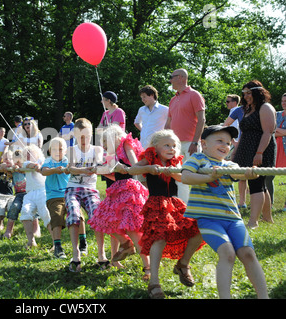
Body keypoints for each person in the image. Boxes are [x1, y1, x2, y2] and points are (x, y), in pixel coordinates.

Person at [181, 125, 268, 299]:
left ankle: (264, 296)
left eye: (228, 143)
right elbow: (186, 176)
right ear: (204, 144)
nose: (225, 145)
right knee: (227, 253)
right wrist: (208, 177)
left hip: (233, 219)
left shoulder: (230, 164)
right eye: (220, 141)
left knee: (248, 253)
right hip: (209, 219)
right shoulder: (198, 159)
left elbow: (241, 174)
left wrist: (250, 174)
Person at [127, 129, 205, 299]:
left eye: (174, 145)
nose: (171, 148)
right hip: (156, 205)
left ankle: (183, 264)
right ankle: (154, 281)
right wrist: (148, 168)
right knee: (160, 237)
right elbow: (132, 169)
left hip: (174, 203)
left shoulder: (175, 162)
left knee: (199, 228)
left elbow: (182, 178)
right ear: (155, 147)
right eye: (166, 145)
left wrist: (173, 171)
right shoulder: (149, 158)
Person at [88, 125, 150, 274]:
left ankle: (148, 267)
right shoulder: (111, 154)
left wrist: (123, 168)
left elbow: (134, 166)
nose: (103, 144)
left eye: (105, 140)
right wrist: (108, 169)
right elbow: (113, 173)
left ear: (115, 137)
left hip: (129, 189)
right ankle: (125, 242)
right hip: (116, 190)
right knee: (100, 220)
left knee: (133, 229)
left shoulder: (125, 143)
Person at [64, 118, 107, 272]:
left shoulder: (97, 149)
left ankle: (101, 254)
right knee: (74, 215)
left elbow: (101, 164)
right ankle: (76, 254)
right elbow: (71, 168)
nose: (84, 140)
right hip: (73, 188)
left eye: (87, 136)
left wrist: (97, 166)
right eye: (81, 137)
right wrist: (86, 170)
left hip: (90, 189)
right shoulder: (71, 150)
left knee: (97, 214)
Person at [232, 80, 276, 229]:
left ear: (258, 92)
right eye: (244, 94)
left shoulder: (265, 108)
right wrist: (236, 152)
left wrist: (259, 153)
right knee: (260, 184)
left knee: (256, 183)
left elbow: (268, 132)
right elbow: (243, 133)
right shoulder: (247, 109)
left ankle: (253, 222)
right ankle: (267, 218)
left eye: (249, 93)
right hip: (246, 148)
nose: (246, 96)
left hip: (260, 149)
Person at [164, 68, 206, 203]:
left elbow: (202, 119)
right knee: (179, 178)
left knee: (193, 177)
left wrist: (195, 142)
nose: (170, 80)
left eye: (172, 77)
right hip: (175, 145)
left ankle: (197, 207)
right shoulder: (172, 99)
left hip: (190, 143)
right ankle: (184, 209)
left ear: (181, 77)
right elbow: (168, 123)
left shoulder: (194, 95)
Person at [41, 137, 70, 258]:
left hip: (68, 194)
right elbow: (44, 171)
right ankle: (57, 246)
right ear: (49, 151)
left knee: (78, 217)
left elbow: (70, 169)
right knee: (57, 216)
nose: (57, 151)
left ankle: (82, 243)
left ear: (65, 151)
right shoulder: (48, 161)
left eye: (60, 149)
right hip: (53, 196)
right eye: (54, 149)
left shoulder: (66, 160)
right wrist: (54, 170)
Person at [19, 144, 52, 249]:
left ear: (37, 153)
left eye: (31, 153)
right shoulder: (26, 163)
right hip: (30, 193)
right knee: (25, 212)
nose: (28, 155)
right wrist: (37, 165)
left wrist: (40, 164)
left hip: (43, 191)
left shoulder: (44, 161)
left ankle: (56, 242)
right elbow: (32, 166)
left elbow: (41, 163)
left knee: (46, 214)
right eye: (26, 154)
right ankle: (31, 241)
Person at [223, 95, 248, 209]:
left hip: (241, 145)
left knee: (234, 172)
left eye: (228, 101)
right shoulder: (237, 111)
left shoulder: (236, 110)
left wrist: (233, 142)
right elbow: (226, 126)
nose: (226, 103)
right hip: (240, 145)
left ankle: (241, 201)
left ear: (235, 102)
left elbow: (226, 126)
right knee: (243, 174)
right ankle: (243, 201)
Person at [3, 149, 27, 239]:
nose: (18, 162)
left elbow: (24, 170)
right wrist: (10, 167)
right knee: (14, 207)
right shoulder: (13, 169)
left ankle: (36, 229)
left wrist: (19, 167)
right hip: (19, 194)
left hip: (29, 193)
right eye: (15, 160)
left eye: (19, 160)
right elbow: (5, 168)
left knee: (31, 211)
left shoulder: (25, 167)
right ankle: (9, 230)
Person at [0, 151, 15, 238]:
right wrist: (1, 166)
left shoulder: (14, 170)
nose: (8, 160)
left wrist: (11, 169)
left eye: (10, 159)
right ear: (1, 160)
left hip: (10, 195)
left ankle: (9, 230)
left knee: (12, 208)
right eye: (5, 159)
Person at [274, 93, 286, 210]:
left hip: (285, 148)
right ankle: (269, 203)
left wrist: (276, 130)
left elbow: (274, 130)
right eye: (283, 101)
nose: (284, 103)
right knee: (269, 175)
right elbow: (271, 131)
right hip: (276, 147)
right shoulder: (277, 114)